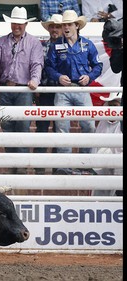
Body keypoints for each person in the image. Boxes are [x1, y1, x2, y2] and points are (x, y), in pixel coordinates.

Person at [0, 6, 44, 174]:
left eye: (20, 24)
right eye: (14, 23)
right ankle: (13, 163)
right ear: (11, 24)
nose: (17, 26)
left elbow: (37, 64)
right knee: (7, 127)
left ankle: (21, 166)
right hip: (5, 89)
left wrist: (34, 79)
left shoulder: (33, 42)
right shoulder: (1, 42)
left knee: (23, 126)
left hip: (23, 89)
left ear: (25, 24)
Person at [45, 10, 103, 175]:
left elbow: (98, 65)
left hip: (82, 88)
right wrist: (58, 77)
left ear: (77, 26)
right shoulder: (56, 45)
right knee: (62, 127)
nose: (66, 27)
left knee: (89, 126)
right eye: (64, 25)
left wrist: (89, 77)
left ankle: (85, 163)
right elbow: (48, 67)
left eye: (69, 24)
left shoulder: (88, 44)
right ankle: (65, 165)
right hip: (63, 89)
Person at [33, 14, 63, 175]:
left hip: (60, 91)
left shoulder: (67, 46)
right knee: (42, 127)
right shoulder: (41, 45)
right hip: (44, 90)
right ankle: (39, 164)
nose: (54, 29)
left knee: (60, 127)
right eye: (52, 26)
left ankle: (58, 166)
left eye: (57, 27)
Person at [91, 93, 123, 196]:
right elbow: (96, 146)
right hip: (104, 166)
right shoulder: (103, 123)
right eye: (111, 105)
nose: (113, 109)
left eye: (116, 106)